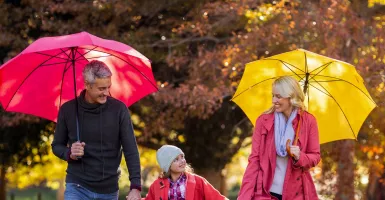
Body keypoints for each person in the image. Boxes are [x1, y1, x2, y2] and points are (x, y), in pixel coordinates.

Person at [52, 60, 142, 200]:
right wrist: (70, 153)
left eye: (108, 87)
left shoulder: (119, 110)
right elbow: (56, 145)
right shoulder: (68, 110)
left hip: (109, 190)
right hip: (77, 186)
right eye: (101, 89)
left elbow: (130, 149)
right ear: (87, 85)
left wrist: (135, 186)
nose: (106, 92)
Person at [238, 76, 320, 200]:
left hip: (296, 193)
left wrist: (300, 156)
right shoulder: (263, 121)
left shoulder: (308, 121)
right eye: (273, 95)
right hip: (266, 193)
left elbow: (315, 157)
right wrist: (244, 197)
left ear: (291, 97)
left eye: (278, 96)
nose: (273, 100)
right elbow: (254, 160)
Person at [142, 145, 228, 200]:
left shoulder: (198, 181)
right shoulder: (156, 186)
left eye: (182, 157)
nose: (182, 161)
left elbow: (216, 198)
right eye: (176, 160)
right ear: (167, 166)